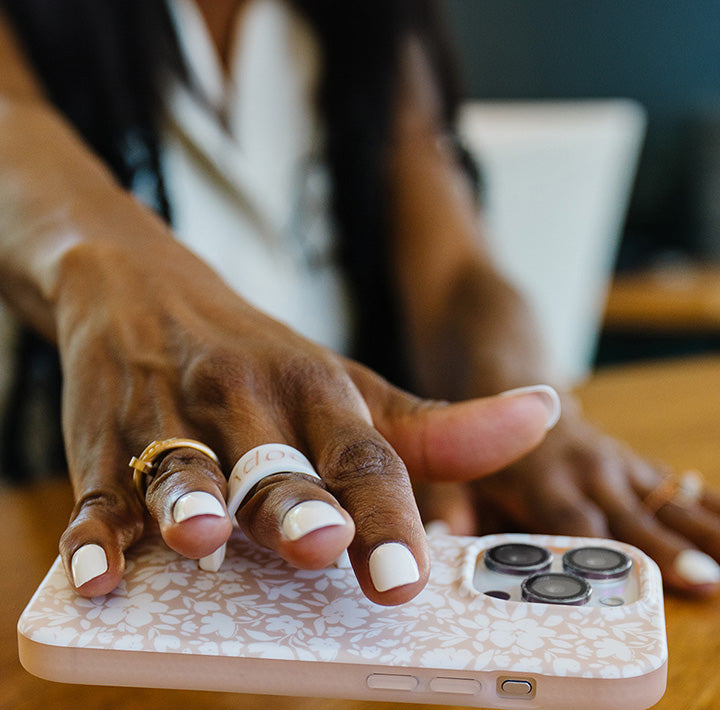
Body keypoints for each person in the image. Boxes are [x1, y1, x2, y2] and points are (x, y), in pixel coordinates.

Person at [0, 0, 718, 607]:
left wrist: (515, 418)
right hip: (94, 532)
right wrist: (124, 289)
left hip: (346, 543)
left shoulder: (368, 18)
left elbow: (456, 273)